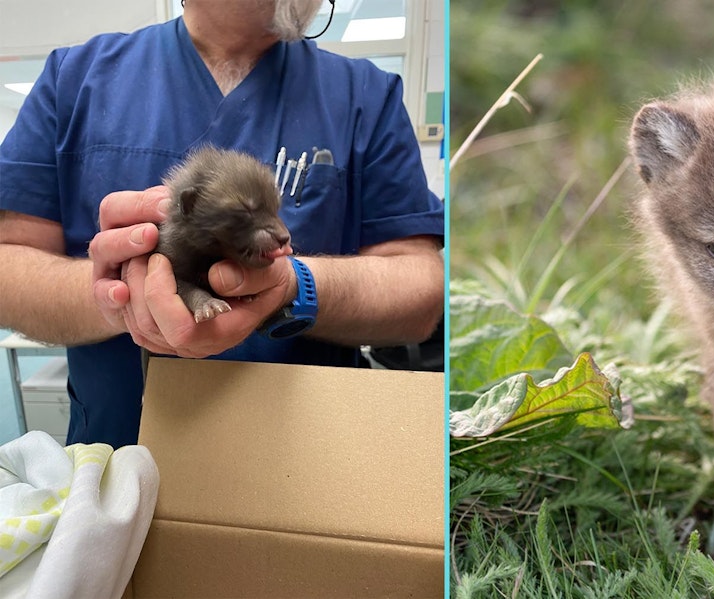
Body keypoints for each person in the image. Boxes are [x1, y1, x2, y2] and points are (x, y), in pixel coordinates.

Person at [0, 0, 445, 448]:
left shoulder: (366, 95)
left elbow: (422, 290)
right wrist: (120, 297)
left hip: (311, 453)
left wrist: (295, 286)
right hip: (121, 456)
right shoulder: (74, 79)